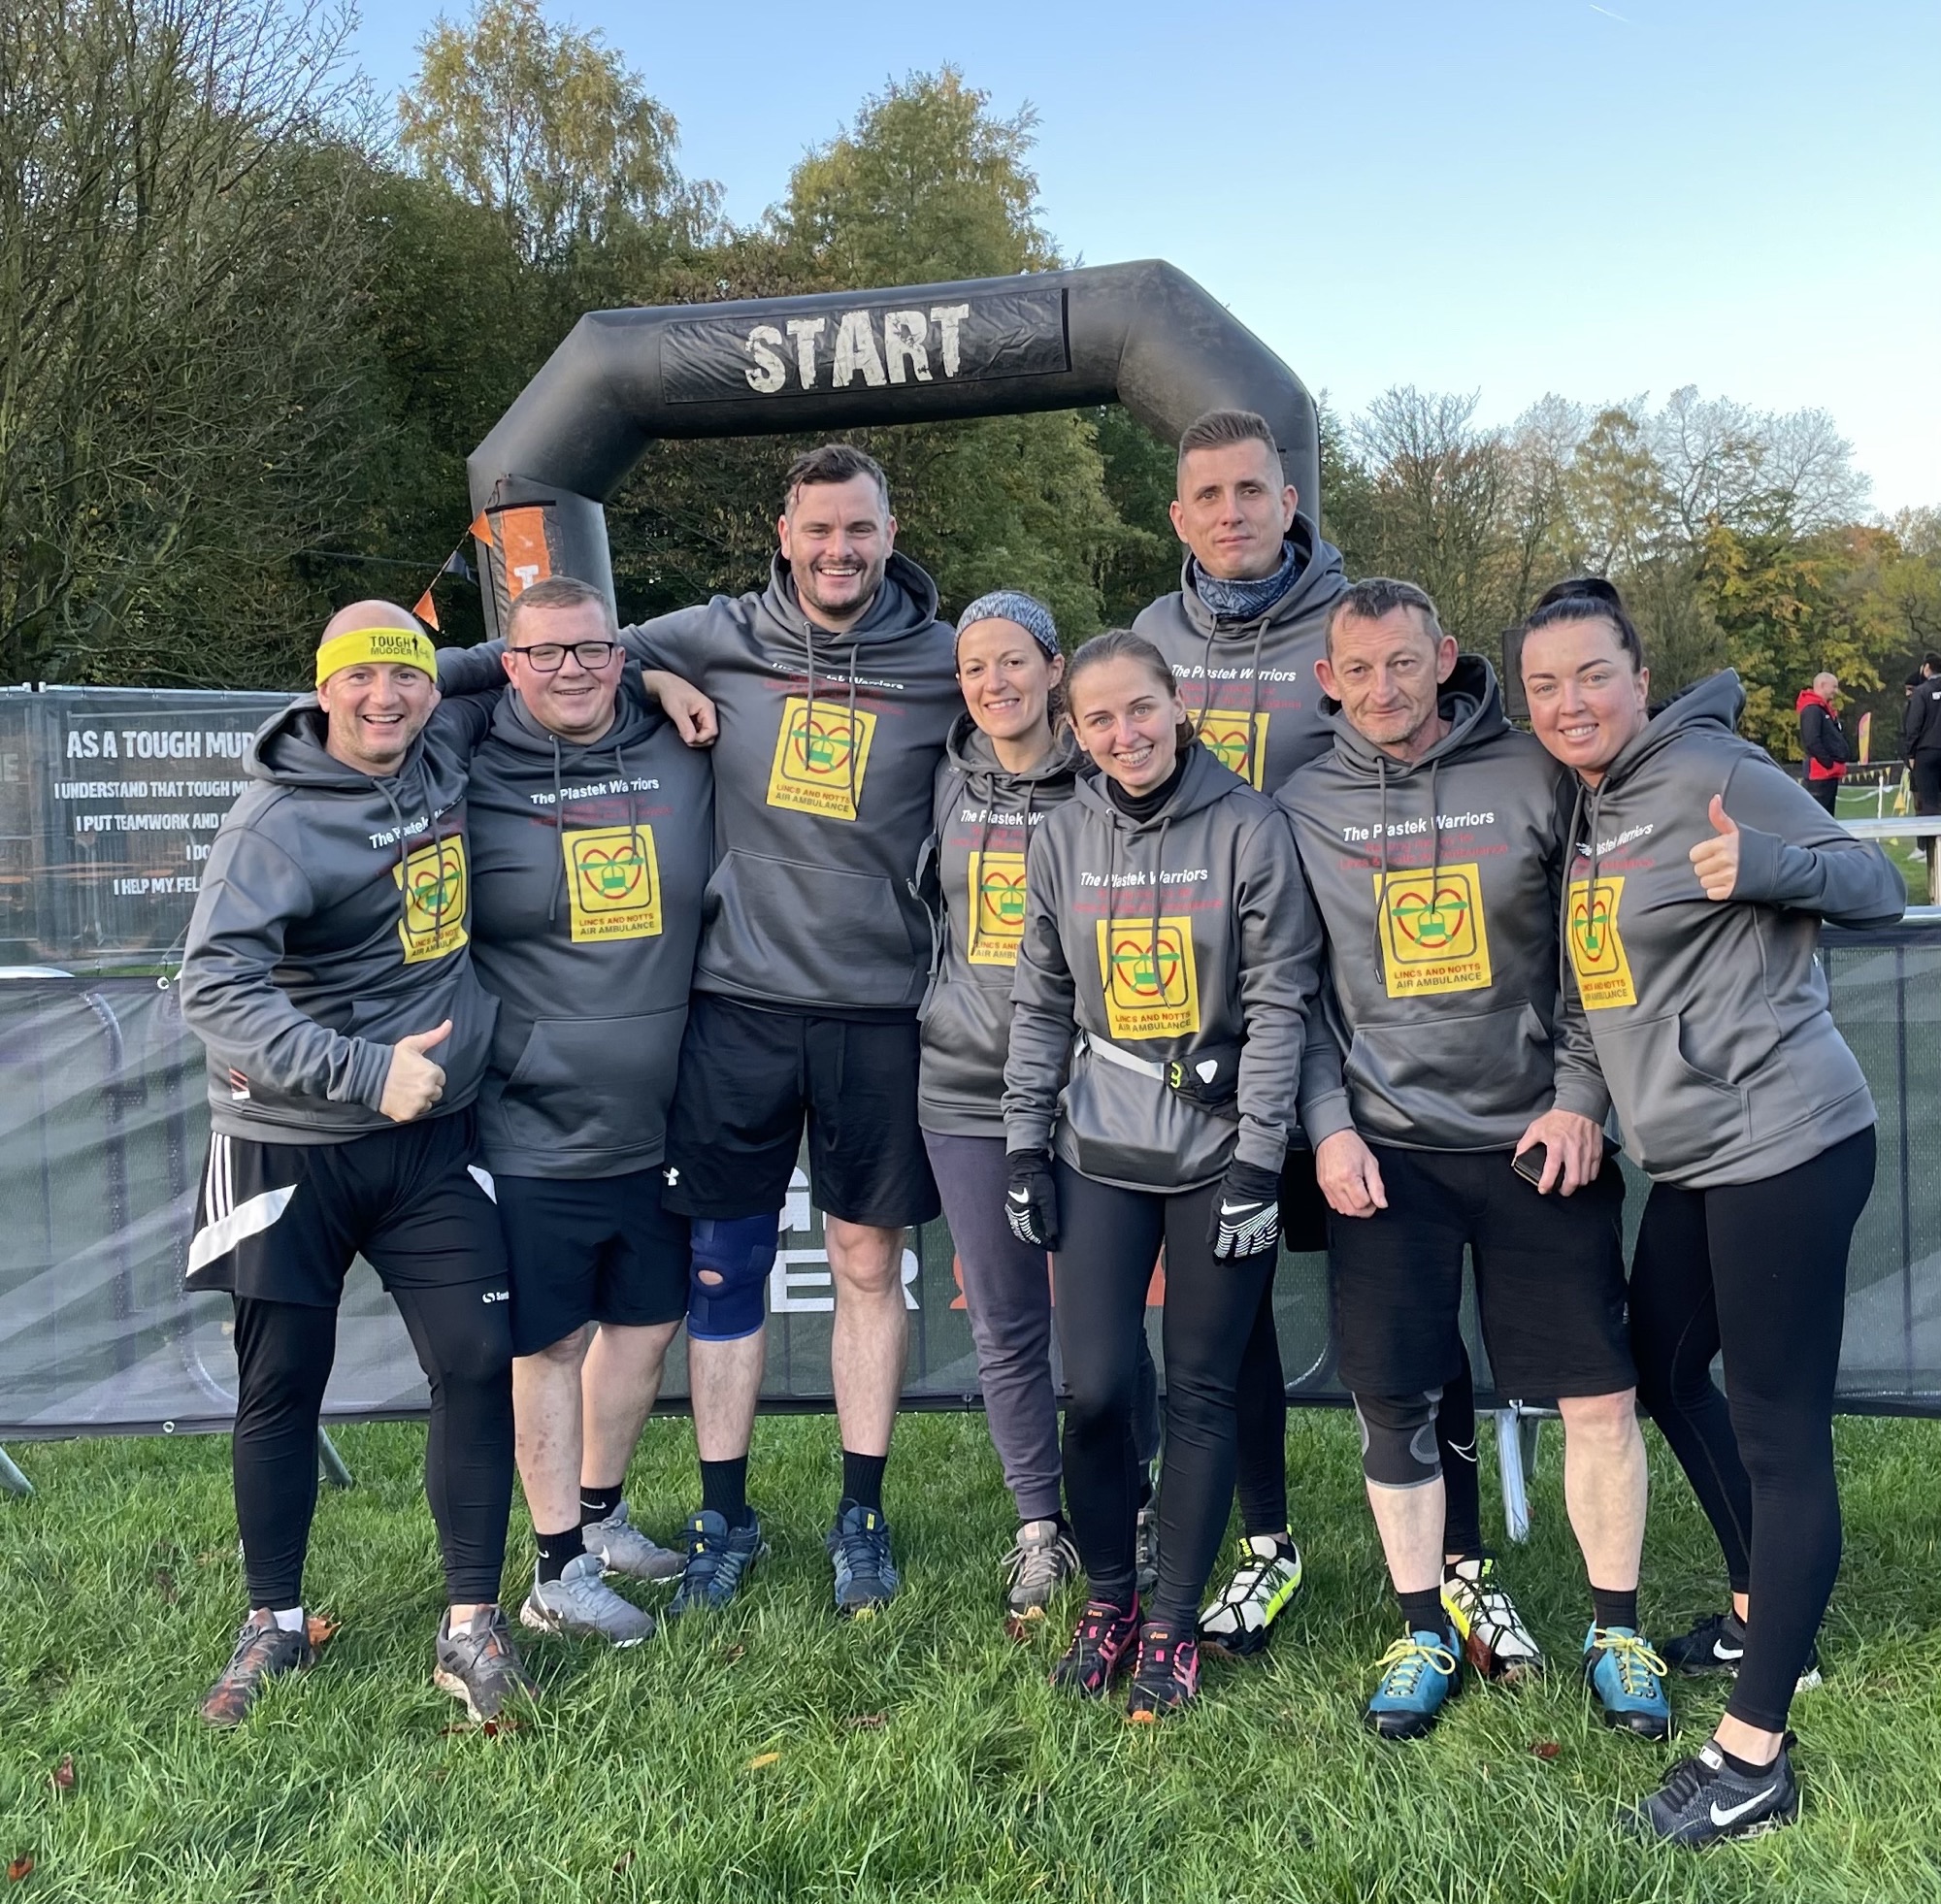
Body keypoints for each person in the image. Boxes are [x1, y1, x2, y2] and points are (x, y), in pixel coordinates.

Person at [439, 444, 961, 1616]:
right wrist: (655, 680)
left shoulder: (940, 659)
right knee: (725, 1269)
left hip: (880, 1012)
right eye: (817, 530)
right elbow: (535, 657)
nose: (838, 551)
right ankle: (724, 1515)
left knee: (868, 1264)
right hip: (736, 1007)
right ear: (782, 532)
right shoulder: (708, 632)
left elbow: (1047, 711)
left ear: (889, 530)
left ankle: (859, 1515)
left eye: (859, 530)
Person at [1520, 576, 1904, 1847]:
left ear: (1638, 678)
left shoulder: (1706, 772)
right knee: (1664, 1360)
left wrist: (1772, 863)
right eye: (1545, 685)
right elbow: (1599, 994)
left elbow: (1873, 882)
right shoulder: (1592, 815)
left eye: (1592, 674)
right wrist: (1581, 1097)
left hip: (1784, 1139)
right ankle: (1759, 1608)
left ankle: (1752, 1754)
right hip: (1688, 1154)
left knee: (1777, 1427)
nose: (1570, 700)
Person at [1135, 408, 1503, 1667]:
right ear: (1179, 515)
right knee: (1226, 1308)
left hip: (1365, 1038)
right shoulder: (1147, 640)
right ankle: (1266, 1542)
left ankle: (1458, 1558)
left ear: (1289, 500)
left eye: (1253, 489)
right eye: (1208, 495)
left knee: (1411, 1313)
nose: (1232, 512)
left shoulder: (1358, 624)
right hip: (1217, 1040)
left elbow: (1467, 741)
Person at [1280, 578, 1666, 1744]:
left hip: (1534, 1144)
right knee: (1389, 1401)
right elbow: (1286, 992)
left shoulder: (1535, 776)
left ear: (1443, 657)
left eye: (1406, 662)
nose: (1385, 688)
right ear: (1327, 681)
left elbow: (1591, 950)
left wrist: (1580, 1097)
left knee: (1597, 1398)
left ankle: (1616, 1629)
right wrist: (1325, 1125)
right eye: (1361, 670)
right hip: (1382, 1157)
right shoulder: (1298, 803)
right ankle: (1420, 1627)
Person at [179, 602, 533, 1726]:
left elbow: (501, 657)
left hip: (432, 1141)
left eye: (408, 680)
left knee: (478, 1358)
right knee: (282, 1383)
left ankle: (471, 1627)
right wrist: (361, 1070)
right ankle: (272, 1623)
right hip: (291, 1144)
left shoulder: (440, 740)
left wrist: (656, 674)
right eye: (362, 681)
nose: (387, 699)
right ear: (320, 688)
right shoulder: (269, 825)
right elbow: (212, 991)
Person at [1003, 631, 1322, 1719]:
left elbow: (1281, 1004)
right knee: (1092, 1390)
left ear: (1175, 702)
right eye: (1097, 720)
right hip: (1097, 1146)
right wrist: (1019, 1141)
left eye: (1139, 710)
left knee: (1198, 1391)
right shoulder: (1060, 834)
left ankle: (1172, 1626)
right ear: (1073, 729)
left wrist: (1259, 1159)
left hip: (1214, 1154)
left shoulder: (1249, 825)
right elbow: (1041, 998)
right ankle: (1109, 1604)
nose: (1123, 735)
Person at [454, 575, 713, 1644]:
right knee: (550, 1343)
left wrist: (656, 672)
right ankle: (554, 1568)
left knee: (647, 1323)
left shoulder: (673, 739)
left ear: (623, 654)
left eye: (593, 650)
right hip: (529, 1119)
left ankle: (600, 1519)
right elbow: (389, 685)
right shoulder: (462, 759)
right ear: (506, 664)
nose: (571, 670)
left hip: (658, 1113)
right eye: (542, 653)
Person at [916, 590, 1160, 1619]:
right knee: (1007, 1322)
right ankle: (1037, 1529)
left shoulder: (1106, 781)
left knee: (1102, 1330)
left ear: (1053, 668)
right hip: (962, 1085)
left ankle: (1135, 1511)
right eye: (974, 668)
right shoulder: (942, 777)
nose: (993, 684)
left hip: (1087, 1092)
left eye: (1012, 662)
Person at [1795, 673, 1849, 816]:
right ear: (1823, 685)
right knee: (1819, 815)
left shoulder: (1824, 710)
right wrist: (1828, 762)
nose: (1836, 691)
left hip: (1828, 773)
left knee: (1828, 816)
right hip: (1820, 773)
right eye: (1834, 687)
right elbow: (1812, 740)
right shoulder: (1812, 710)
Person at [1901, 651, 1941, 813]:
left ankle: (1932, 836)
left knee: (1929, 800)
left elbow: (1914, 725)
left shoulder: (1922, 692)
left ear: (1927, 668)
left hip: (1927, 751)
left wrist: (1910, 753)